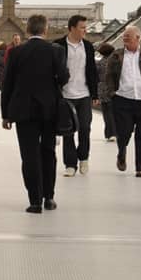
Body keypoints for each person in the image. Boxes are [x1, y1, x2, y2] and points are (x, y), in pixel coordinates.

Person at [1, 13, 69, 212]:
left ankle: (35, 201)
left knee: (29, 155)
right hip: (49, 110)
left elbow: (8, 85)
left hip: (23, 111)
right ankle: (49, 197)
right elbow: (64, 77)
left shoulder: (16, 52)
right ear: (45, 30)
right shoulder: (54, 51)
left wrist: (6, 114)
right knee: (48, 152)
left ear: (27, 30)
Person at [53, 15, 98, 176]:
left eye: (86, 28)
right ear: (72, 28)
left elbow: (92, 69)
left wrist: (95, 93)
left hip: (84, 94)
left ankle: (83, 158)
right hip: (65, 94)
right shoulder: (58, 45)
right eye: (82, 27)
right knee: (68, 131)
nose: (85, 30)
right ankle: (70, 164)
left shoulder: (87, 46)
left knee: (85, 128)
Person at [105, 25, 141, 177]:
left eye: (128, 38)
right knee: (123, 132)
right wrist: (112, 93)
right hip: (122, 99)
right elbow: (108, 76)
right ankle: (121, 152)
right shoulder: (116, 56)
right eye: (124, 38)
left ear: (138, 38)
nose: (125, 41)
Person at [95, 42, 117, 141]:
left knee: (106, 113)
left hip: (102, 89)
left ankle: (108, 133)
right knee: (113, 112)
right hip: (112, 89)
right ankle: (114, 132)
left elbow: (96, 77)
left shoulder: (99, 63)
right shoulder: (114, 62)